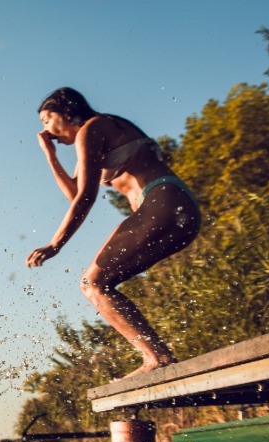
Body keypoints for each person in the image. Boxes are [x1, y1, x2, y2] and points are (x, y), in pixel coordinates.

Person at [28, 87, 202, 379]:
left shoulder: (92, 128)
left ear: (67, 112)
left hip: (160, 200)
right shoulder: (99, 132)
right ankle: (158, 357)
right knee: (100, 283)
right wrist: (51, 156)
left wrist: (55, 244)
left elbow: (85, 197)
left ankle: (157, 357)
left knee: (92, 283)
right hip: (178, 208)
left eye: (47, 119)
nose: (46, 130)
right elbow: (74, 194)